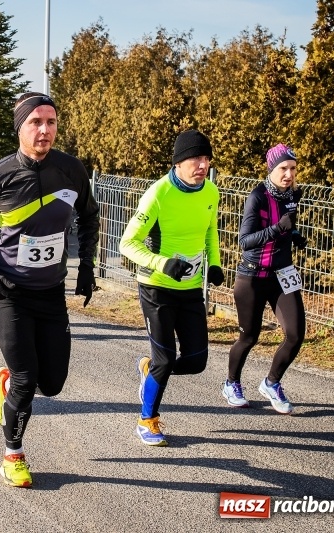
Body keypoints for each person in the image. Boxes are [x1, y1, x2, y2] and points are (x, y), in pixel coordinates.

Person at [0, 92, 100, 488]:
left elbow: (89, 216)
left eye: (51, 122)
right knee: (26, 378)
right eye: (36, 122)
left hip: (50, 292)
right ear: (20, 127)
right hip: (9, 291)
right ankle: (13, 454)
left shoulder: (71, 170)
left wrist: (85, 267)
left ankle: (6, 387)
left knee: (53, 384)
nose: (45, 130)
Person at [119, 129, 224, 447]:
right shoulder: (158, 194)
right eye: (196, 158)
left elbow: (211, 231)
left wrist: (215, 264)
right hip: (157, 287)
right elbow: (127, 243)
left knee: (196, 361)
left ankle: (151, 370)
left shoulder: (210, 192)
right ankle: (146, 420)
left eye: (206, 159)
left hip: (190, 288)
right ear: (178, 162)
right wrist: (162, 263)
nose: (202, 165)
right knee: (166, 359)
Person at [222, 144, 306, 414]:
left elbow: (285, 229)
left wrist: (293, 236)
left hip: (282, 274)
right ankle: (231, 383)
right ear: (272, 169)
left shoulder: (292, 196)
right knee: (249, 337)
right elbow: (246, 241)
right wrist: (278, 229)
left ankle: (271, 383)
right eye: (283, 168)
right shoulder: (257, 197)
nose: (289, 174)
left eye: (293, 168)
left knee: (295, 334)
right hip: (252, 276)